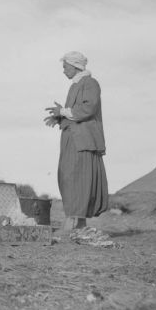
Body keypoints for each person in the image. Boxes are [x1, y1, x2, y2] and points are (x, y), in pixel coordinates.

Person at [44, 51, 109, 231]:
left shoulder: (90, 83)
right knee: (69, 177)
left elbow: (88, 108)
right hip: (73, 138)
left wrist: (63, 112)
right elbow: (74, 111)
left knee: (76, 178)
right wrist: (58, 117)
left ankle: (72, 223)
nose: (63, 71)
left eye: (65, 67)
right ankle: (78, 224)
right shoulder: (76, 85)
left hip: (83, 140)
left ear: (75, 66)